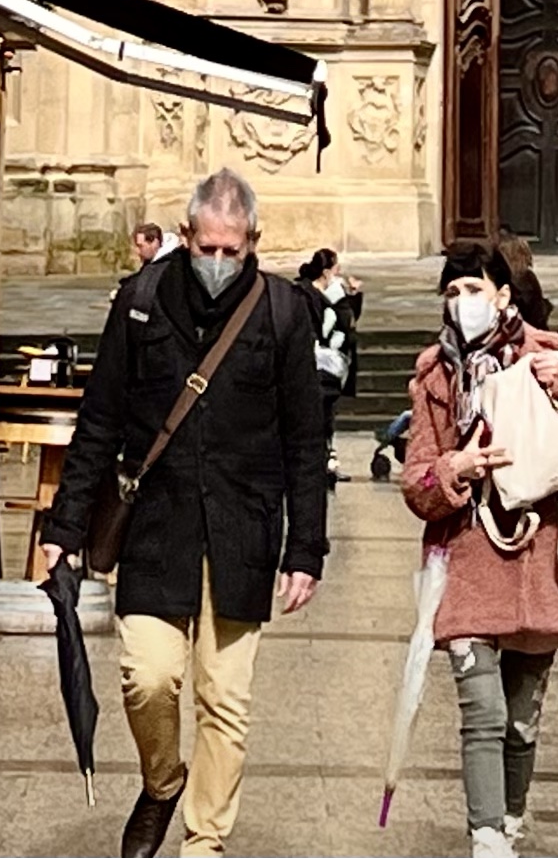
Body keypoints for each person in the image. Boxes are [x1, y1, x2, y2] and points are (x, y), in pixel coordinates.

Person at [44, 168, 328, 858]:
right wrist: (63, 526)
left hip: (244, 529)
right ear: (186, 234)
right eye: (210, 248)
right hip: (157, 526)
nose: (220, 262)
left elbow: (305, 437)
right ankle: (163, 779)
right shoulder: (141, 301)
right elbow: (100, 419)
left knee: (225, 697)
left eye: (234, 250)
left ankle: (204, 842)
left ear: (253, 241)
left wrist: (305, 549)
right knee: (148, 676)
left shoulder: (284, 311)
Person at [400, 245, 558, 858]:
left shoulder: (548, 362)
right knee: (481, 712)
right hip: (469, 563)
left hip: (537, 565)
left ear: (503, 294)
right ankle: (486, 838)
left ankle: (508, 819)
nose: (462, 304)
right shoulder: (434, 378)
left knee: (520, 721)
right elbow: (416, 480)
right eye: (451, 294)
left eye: (472, 289)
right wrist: (455, 466)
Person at [299, 247, 361, 477]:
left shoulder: (328, 296)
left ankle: (326, 459)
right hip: (318, 366)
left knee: (326, 417)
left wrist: (352, 296)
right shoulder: (310, 296)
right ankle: (321, 461)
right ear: (326, 272)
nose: (339, 275)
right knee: (319, 417)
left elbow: (346, 323)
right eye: (336, 269)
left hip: (329, 367)